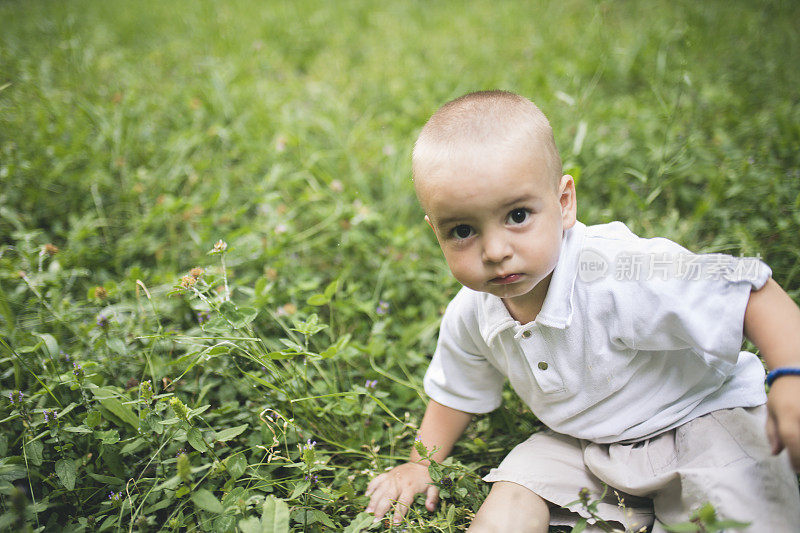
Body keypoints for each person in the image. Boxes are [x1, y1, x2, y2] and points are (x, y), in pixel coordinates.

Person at [364, 90, 800, 532]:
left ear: (564, 202)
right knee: (514, 494)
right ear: (435, 232)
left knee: (753, 516)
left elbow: (751, 293)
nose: (495, 251)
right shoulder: (473, 313)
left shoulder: (616, 271)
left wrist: (791, 376)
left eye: (517, 215)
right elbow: (454, 392)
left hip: (700, 421)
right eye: (462, 230)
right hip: (585, 445)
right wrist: (421, 464)